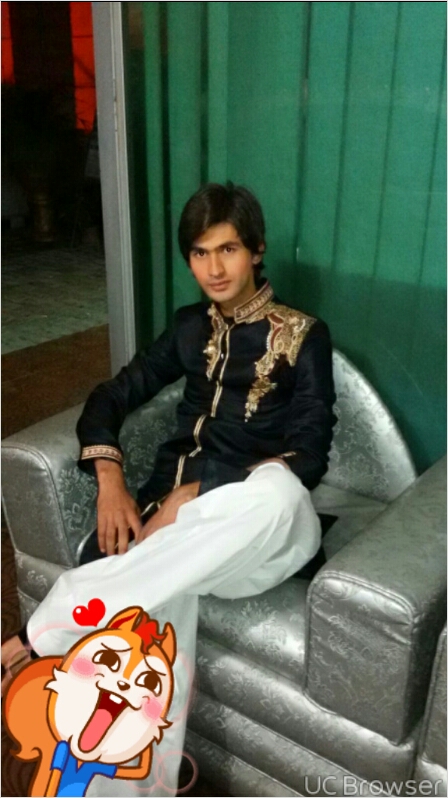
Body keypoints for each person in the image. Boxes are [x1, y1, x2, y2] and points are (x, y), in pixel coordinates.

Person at [2, 182, 336, 795]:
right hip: (176, 539)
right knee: (149, 630)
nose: (214, 268)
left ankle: (51, 623)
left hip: (254, 533)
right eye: (200, 253)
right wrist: (110, 479)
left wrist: (198, 489)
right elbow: (111, 396)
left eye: (228, 249)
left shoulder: (303, 335)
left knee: (283, 492)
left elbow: (310, 454)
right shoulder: (189, 328)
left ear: (257, 250)